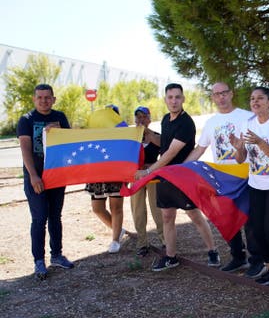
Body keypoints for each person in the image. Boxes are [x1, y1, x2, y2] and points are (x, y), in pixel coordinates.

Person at [135, 83, 217, 271]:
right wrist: (146, 132)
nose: (174, 101)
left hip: (182, 176)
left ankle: (212, 251)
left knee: (194, 215)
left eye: (177, 97)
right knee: (167, 216)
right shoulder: (165, 119)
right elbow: (163, 143)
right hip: (166, 177)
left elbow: (171, 153)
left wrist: (148, 172)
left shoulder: (186, 122)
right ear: (165, 100)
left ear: (183, 99)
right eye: (170, 97)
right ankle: (171, 257)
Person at [184, 82, 259, 274]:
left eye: (224, 93)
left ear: (231, 94)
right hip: (223, 179)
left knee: (249, 220)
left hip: (246, 176)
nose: (221, 97)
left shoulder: (246, 117)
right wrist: (182, 168)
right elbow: (200, 149)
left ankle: (256, 260)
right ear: (213, 98)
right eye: (217, 94)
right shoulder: (211, 123)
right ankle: (238, 257)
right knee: (228, 218)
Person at [230, 87, 269, 290]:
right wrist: (239, 149)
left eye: (260, 98)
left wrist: (259, 141)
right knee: (257, 230)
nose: (255, 102)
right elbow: (241, 160)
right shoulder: (247, 124)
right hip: (256, 184)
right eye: (252, 99)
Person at [17, 84, 75, 279]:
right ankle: (39, 261)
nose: (44, 101)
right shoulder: (26, 120)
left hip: (57, 176)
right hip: (36, 177)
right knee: (39, 218)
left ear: (53, 99)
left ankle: (57, 255)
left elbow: (70, 144)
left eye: (47, 97)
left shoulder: (60, 117)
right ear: (34, 99)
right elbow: (25, 149)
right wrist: (33, 175)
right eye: (40, 97)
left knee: (55, 217)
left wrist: (60, 132)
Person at [85, 104, 127, 253]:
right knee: (97, 209)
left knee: (116, 207)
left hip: (116, 173)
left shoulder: (123, 134)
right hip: (96, 174)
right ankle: (119, 230)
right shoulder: (93, 133)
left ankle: (115, 240)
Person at [130, 106, 164, 256]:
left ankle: (164, 240)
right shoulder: (130, 138)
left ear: (149, 119)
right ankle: (142, 243)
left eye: (144, 117)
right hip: (136, 176)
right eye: (138, 117)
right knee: (138, 210)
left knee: (157, 209)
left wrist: (152, 167)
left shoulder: (157, 136)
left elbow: (165, 154)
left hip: (153, 176)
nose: (141, 120)